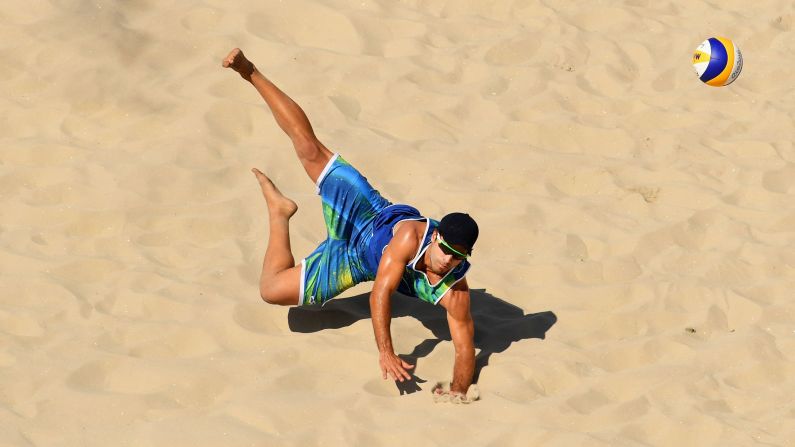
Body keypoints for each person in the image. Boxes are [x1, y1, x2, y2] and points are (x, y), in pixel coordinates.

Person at [223, 48, 480, 398]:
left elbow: (465, 346)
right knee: (309, 148)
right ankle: (249, 71)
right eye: (447, 249)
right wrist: (386, 352)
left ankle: (279, 212)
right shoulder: (409, 237)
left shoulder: (454, 290)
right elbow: (381, 292)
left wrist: (458, 392)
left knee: (271, 291)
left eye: (459, 256)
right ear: (435, 237)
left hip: (354, 261)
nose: (450, 260)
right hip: (366, 214)